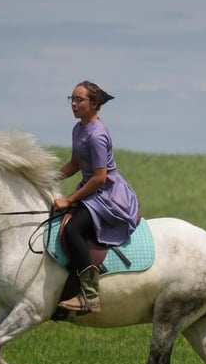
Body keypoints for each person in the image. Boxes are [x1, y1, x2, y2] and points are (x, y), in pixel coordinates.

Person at [52, 80, 140, 313]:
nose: (73, 103)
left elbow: (100, 177)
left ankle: (89, 297)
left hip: (108, 195)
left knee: (73, 229)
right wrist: (50, 178)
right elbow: (74, 163)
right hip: (93, 189)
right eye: (71, 98)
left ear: (94, 103)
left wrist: (69, 199)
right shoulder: (79, 128)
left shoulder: (97, 135)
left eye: (79, 99)